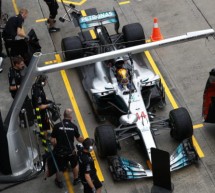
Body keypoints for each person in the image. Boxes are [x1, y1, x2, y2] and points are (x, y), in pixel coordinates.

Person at [50, 108, 84, 188]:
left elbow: (52, 140)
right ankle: (76, 179)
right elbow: (79, 139)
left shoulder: (57, 126)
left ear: (64, 115)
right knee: (75, 164)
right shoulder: (74, 127)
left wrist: (55, 145)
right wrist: (84, 140)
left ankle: (59, 181)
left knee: (59, 167)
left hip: (60, 152)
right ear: (71, 117)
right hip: (70, 152)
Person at [8, 56, 34, 127]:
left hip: (22, 92)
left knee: (28, 104)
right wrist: (21, 86)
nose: (23, 65)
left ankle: (30, 119)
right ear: (16, 64)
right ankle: (23, 122)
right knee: (22, 107)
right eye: (21, 64)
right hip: (17, 94)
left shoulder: (20, 69)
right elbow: (11, 88)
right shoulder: (13, 74)